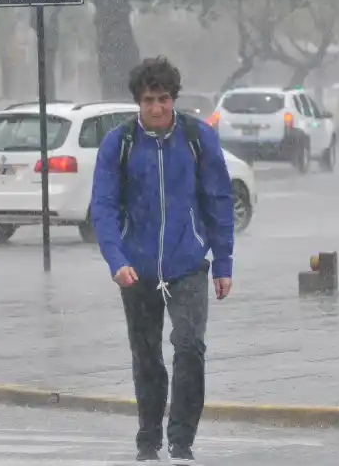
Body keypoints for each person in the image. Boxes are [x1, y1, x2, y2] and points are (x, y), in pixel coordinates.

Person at [90, 57, 235, 465]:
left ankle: (182, 440)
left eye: (165, 99)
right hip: (135, 268)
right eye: (150, 100)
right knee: (146, 355)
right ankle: (148, 439)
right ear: (138, 101)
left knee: (190, 348)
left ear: (174, 99)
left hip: (187, 263)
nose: (157, 108)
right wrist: (115, 260)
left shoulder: (196, 137)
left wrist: (223, 263)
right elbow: (102, 207)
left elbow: (218, 200)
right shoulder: (118, 144)